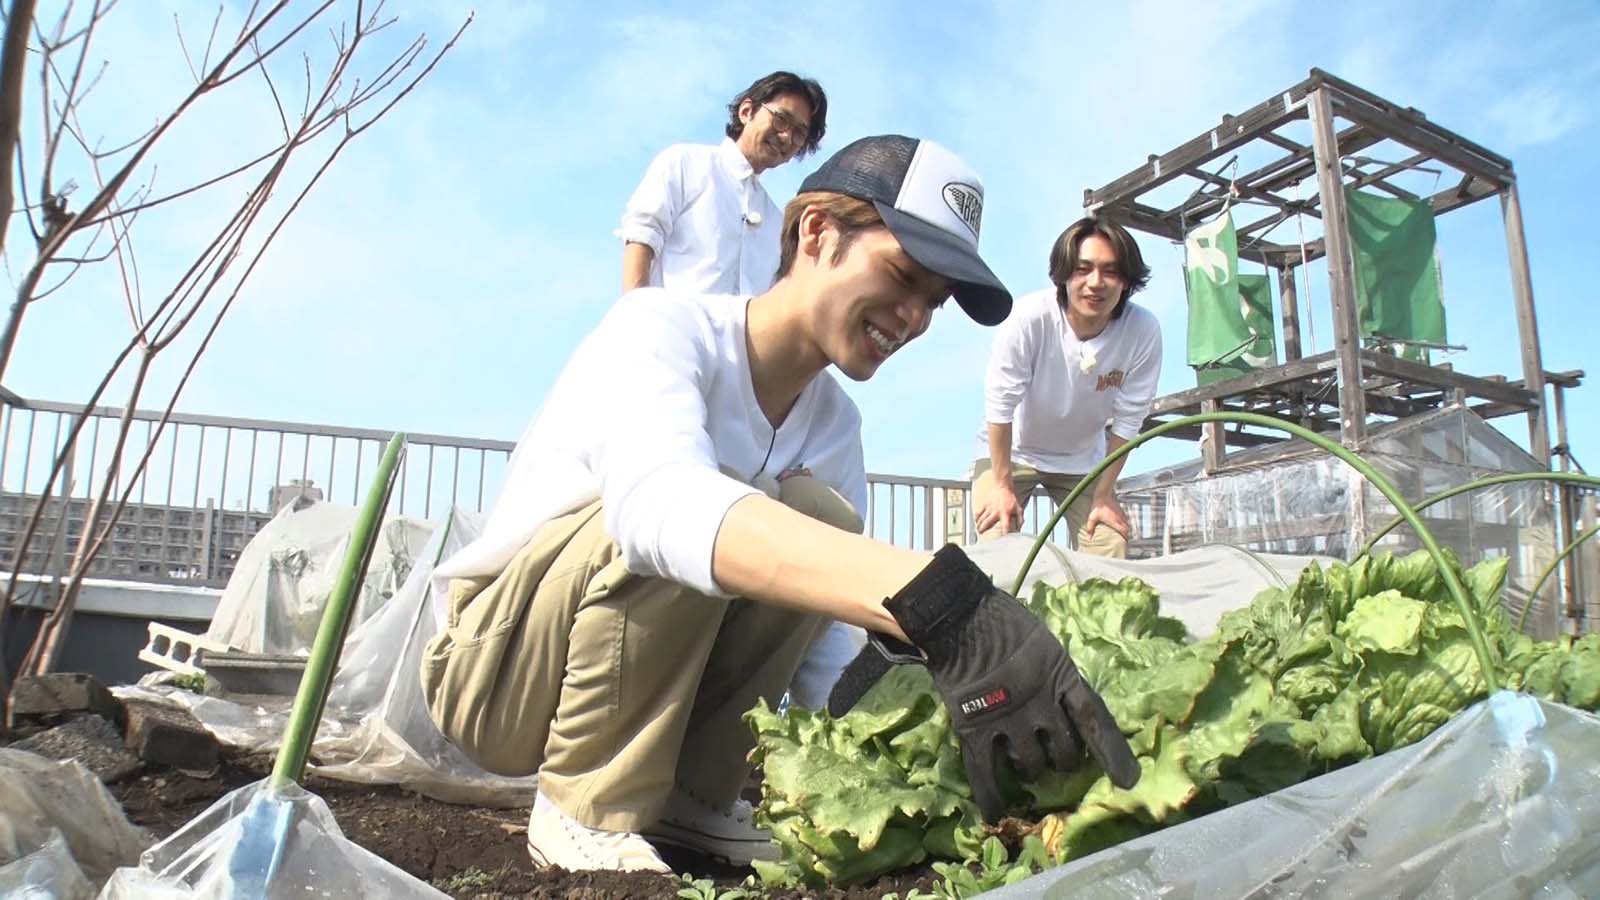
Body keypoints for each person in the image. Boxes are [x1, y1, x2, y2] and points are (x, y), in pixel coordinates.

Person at [421, 136, 1139, 875]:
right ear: (817, 232)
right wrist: (939, 598)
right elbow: (656, 507)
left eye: (933, 301)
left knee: (818, 520)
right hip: (498, 672)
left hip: (638, 669)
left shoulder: (835, 426)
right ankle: (586, 804)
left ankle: (695, 797)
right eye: (902, 275)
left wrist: (911, 768)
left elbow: (825, 638)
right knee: (694, 508)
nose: (914, 316)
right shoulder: (663, 328)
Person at [970, 216, 1162, 556]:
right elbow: (999, 402)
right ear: (1063, 274)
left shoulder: (1143, 330)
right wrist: (1002, 484)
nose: (1096, 283)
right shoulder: (1030, 318)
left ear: (1127, 281)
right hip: (1011, 454)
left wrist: (1104, 495)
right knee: (997, 535)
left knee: (1109, 541)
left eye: (1111, 271)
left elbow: (1129, 420)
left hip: (1082, 461)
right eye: (1083, 269)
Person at [617, 70, 828, 295]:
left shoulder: (777, 222)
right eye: (781, 119)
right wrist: (636, 316)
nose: (786, 136)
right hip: (670, 327)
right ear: (746, 111)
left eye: (798, 134)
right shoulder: (685, 163)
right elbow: (643, 233)